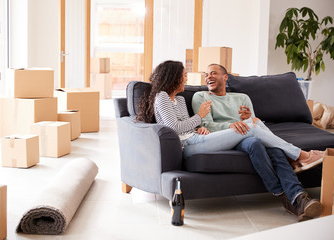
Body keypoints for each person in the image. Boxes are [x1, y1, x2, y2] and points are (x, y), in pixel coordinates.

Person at [136, 60, 323, 221]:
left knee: (258, 132)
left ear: (226, 77)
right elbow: (174, 128)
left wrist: (198, 126)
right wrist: (200, 117)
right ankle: (301, 155)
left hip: (197, 137)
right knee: (253, 128)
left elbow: (187, 125)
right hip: (189, 145)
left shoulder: (181, 100)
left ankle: (294, 195)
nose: (186, 78)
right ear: (173, 77)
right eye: (183, 75)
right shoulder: (163, 97)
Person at [191, 63, 323, 221]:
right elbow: (206, 125)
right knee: (255, 142)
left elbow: (255, 125)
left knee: (272, 148)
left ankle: (298, 198)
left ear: (225, 77)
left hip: (251, 134)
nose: (208, 77)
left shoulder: (242, 98)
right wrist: (232, 125)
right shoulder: (200, 96)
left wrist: (246, 120)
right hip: (227, 137)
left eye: (213, 73)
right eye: (206, 74)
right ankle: (298, 159)